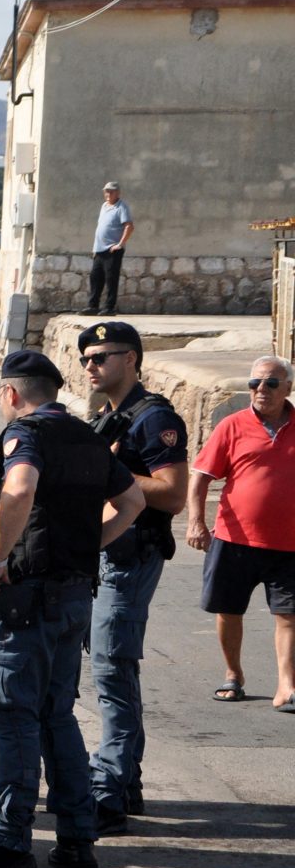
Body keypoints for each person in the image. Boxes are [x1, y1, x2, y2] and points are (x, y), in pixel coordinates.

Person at [0, 350, 145, 868]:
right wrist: (89, 546)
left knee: (15, 719)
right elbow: (132, 500)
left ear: (12, 394)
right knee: (57, 715)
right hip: (72, 596)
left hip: (26, 600)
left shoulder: (27, 435)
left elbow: (19, 489)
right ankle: (76, 840)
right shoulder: (89, 437)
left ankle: (9, 843)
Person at [80, 320, 187, 830]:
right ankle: (129, 781)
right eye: (85, 358)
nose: (90, 366)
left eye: (101, 356)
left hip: (132, 557)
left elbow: (172, 493)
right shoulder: (108, 417)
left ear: (132, 360)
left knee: (112, 670)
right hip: (107, 555)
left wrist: (112, 473)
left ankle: (111, 788)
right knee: (113, 668)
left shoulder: (153, 418)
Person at [187, 356, 295, 711]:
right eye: (254, 383)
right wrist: (196, 522)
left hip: (289, 544)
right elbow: (201, 477)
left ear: (288, 388)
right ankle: (233, 674)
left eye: (271, 383)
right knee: (229, 610)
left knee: (288, 616)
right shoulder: (232, 426)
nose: (261, 390)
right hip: (234, 540)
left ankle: (286, 686)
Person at [84, 181, 133, 316]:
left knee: (111, 279)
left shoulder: (121, 207)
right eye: (106, 191)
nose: (108, 194)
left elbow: (129, 226)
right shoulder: (104, 206)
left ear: (118, 193)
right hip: (99, 250)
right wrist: (95, 248)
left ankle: (109, 308)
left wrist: (120, 244)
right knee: (95, 278)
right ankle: (93, 305)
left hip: (112, 250)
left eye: (111, 191)